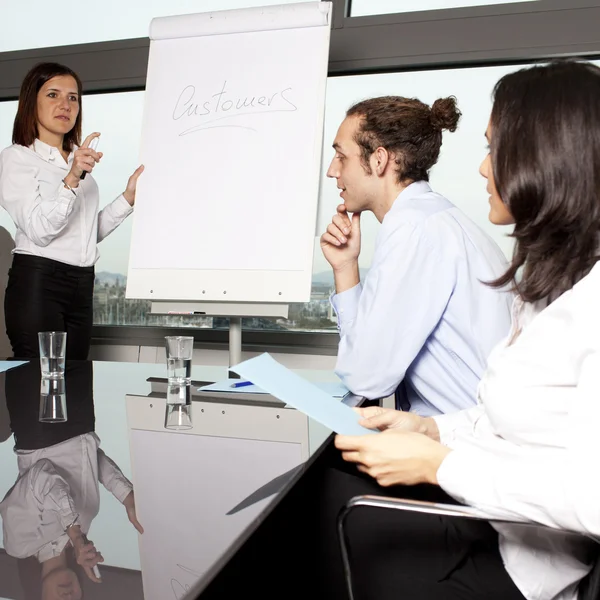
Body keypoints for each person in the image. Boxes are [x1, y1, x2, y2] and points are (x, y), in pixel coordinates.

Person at [312, 60, 600, 600]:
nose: (482, 170)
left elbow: (366, 371)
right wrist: (434, 433)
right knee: (329, 491)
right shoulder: (550, 276)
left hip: (510, 538)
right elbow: (507, 417)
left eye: (494, 149)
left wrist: (443, 462)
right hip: (489, 498)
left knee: (319, 507)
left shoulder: (420, 230)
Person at [321, 95, 512, 416]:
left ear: (379, 160)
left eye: (341, 157)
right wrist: (345, 267)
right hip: (465, 434)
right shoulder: (435, 219)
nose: (331, 171)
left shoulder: (414, 230)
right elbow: (368, 359)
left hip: (461, 446)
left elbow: (366, 378)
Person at [0, 62, 144, 360]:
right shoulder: (17, 159)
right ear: (32, 102)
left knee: (77, 390)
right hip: (39, 283)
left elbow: (87, 233)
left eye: (73, 97)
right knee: (39, 388)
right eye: (53, 95)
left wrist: (128, 198)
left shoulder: (77, 162)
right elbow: (40, 232)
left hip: (82, 285)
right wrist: (72, 177)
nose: (65, 104)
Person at [0, 360, 143, 599]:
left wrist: (75, 535)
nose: (67, 598)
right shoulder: (81, 528)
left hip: (38, 422)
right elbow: (88, 461)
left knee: (35, 330)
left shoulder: (19, 544)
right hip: (80, 420)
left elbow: (42, 475)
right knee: (77, 330)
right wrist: (128, 497)